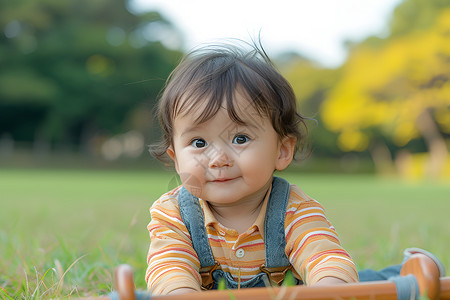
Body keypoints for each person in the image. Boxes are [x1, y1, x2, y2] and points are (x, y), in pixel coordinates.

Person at [145, 41, 445, 295]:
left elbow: (323, 256)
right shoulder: (173, 214)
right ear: (175, 156)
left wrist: (330, 288)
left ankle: (410, 275)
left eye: (240, 138)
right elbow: (170, 268)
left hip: (301, 293)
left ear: (282, 150)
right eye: (198, 143)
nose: (218, 158)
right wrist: (178, 293)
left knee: (366, 287)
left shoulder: (294, 210)